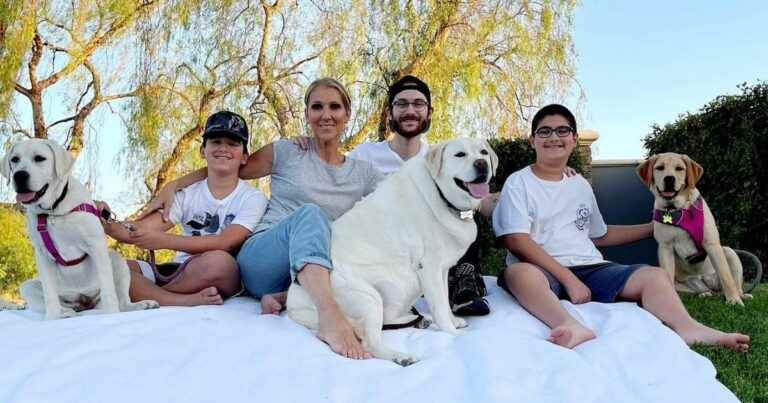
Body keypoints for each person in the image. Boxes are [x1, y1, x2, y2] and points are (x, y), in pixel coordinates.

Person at [140, 78, 381, 360]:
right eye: (317, 107)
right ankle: (330, 318)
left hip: (316, 268)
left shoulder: (364, 174)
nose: (325, 115)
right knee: (311, 214)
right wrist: (175, 184)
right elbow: (228, 164)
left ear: (347, 114)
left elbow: (398, 202)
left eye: (334, 107)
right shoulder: (287, 151)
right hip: (263, 258)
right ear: (307, 115)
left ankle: (285, 296)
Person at [492, 103, 750, 352]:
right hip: (543, 270)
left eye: (562, 131)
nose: (553, 137)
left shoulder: (579, 184)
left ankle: (689, 328)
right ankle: (568, 324)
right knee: (519, 274)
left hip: (592, 267)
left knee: (654, 276)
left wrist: (654, 226)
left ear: (573, 139)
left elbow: (600, 235)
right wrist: (568, 279)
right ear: (532, 140)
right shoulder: (519, 182)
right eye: (544, 131)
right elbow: (517, 241)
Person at [103, 111, 267, 307]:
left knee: (219, 263)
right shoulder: (186, 194)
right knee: (112, 267)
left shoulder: (253, 198)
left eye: (233, 144)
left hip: (219, 271)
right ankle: (179, 299)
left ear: (244, 157)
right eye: (216, 142)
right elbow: (137, 232)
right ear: (202, 151)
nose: (224, 148)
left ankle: (148, 292)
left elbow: (225, 243)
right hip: (177, 270)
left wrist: (162, 241)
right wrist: (100, 217)